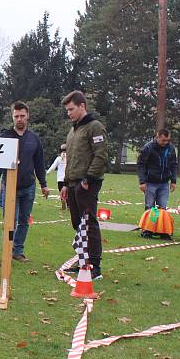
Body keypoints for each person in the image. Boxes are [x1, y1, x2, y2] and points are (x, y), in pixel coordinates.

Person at [0, 101, 50, 262]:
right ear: (12, 117)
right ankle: (6, 252)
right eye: (16, 116)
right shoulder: (5, 136)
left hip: (28, 187)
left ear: (27, 116)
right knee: (10, 221)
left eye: (22, 116)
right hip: (8, 186)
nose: (19, 119)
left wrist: (43, 184)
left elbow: (39, 163)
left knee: (24, 220)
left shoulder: (34, 139)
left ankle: (18, 251)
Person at [60, 90, 108, 280]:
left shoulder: (95, 127)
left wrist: (88, 179)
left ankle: (94, 266)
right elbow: (70, 159)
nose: (69, 113)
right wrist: (65, 183)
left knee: (88, 224)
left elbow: (101, 155)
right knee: (77, 224)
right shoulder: (73, 130)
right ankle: (83, 261)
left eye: (71, 109)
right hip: (72, 184)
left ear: (82, 106)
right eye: (67, 110)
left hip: (86, 184)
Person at [137, 128, 177, 211]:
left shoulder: (171, 148)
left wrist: (173, 181)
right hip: (150, 183)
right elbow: (141, 164)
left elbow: (173, 165)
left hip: (164, 183)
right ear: (157, 137)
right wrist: (142, 182)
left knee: (162, 208)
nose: (165, 143)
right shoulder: (148, 148)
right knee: (149, 207)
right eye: (163, 140)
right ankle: (148, 224)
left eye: (167, 140)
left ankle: (160, 224)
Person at [47, 144, 68, 211]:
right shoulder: (69, 158)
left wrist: (47, 172)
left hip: (60, 179)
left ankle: (63, 204)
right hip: (68, 178)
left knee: (61, 192)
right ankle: (69, 206)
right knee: (68, 192)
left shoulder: (58, 159)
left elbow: (53, 167)